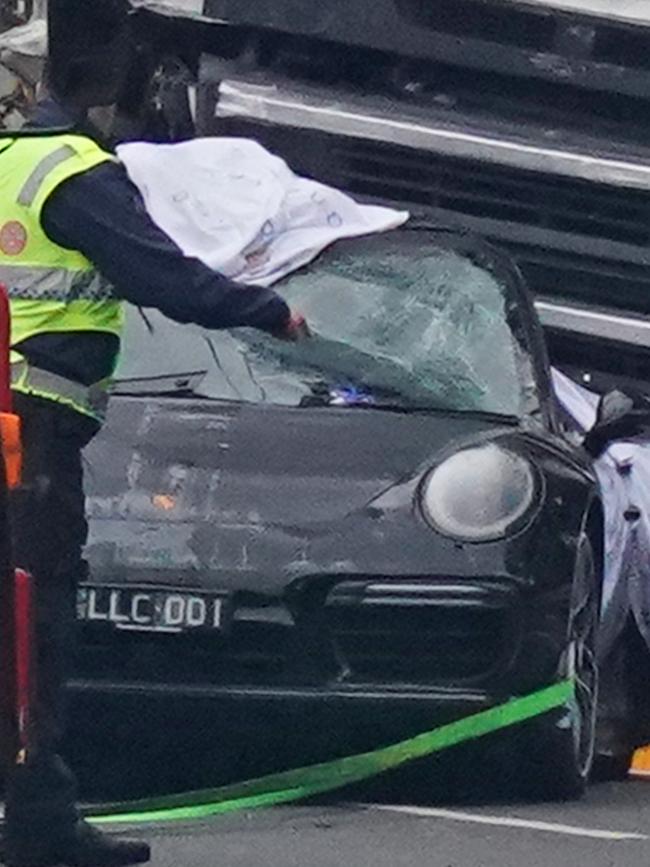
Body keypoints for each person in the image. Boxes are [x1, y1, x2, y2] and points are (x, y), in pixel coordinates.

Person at [0, 8, 308, 867]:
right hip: (32, 440)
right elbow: (162, 274)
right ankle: (38, 822)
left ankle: (37, 812)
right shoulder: (77, 173)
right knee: (34, 630)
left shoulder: (8, 163)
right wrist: (266, 308)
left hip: (13, 422)